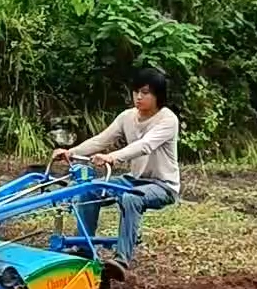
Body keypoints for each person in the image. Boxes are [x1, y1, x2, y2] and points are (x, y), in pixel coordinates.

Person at [51, 66, 180, 275]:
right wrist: (70, 152)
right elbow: (101, 140)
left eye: (145, 93)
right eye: (136, 91)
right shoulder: (127, 117)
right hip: (134, 179)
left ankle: (121, 260)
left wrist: (113, 157)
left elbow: (145, 145)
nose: (138, 97)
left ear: (158, 96)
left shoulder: (167, 120)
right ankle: (84, 249)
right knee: (88, 189)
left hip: (162, 186)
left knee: (131, 198)